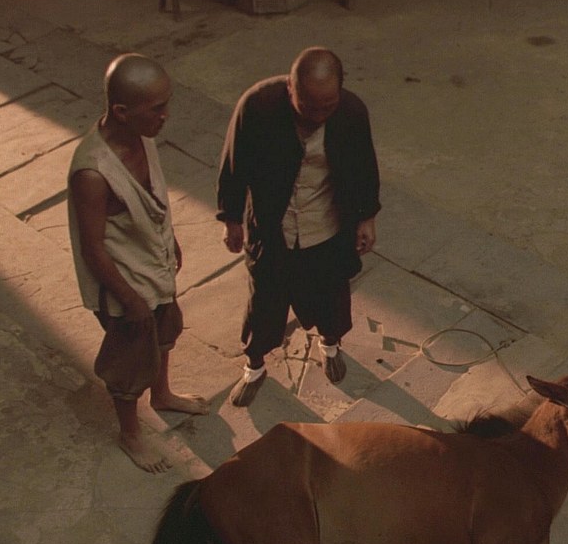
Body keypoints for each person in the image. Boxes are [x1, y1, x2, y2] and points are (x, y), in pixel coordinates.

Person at [217, 46, 381, 407]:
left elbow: (364, 168)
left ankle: (330, 345)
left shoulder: (351, 113)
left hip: (326, 227)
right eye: (308, 107)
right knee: (264, 303)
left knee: (330, 297)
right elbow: (234, 164)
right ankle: (254, 367)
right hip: (271, 227)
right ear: (290, 88)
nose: (318, 116)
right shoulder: (257, 106)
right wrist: (231, 219)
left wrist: (367, 217)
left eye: (327, 107)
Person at [67, 53, 208, 474]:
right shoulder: (93, 173)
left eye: (166, 104)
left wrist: (170, 238)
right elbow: (93, 249)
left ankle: (162, 394)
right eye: (156, 109)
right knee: (129, 363)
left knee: (165, 331)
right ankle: (130, 434)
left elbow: (151, 198)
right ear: (121, 111)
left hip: (153, 267)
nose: (165, 116)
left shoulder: (143, 135)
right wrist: (129, 300)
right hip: (124, 283)